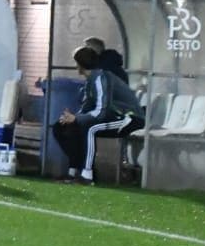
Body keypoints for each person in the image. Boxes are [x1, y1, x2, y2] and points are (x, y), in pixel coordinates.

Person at [51, 45, 144, 184]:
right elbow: (87, 106)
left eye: (76, 63)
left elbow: (101, 111)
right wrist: (71, 119)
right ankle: (72, 172)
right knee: (60, 127)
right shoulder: (90, 81)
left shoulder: (101, 79)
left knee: (90, 128)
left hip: (129, 118)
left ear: (80, 64)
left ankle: (87, 176)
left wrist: (77, 118)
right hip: (112, 116)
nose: (76, 66)